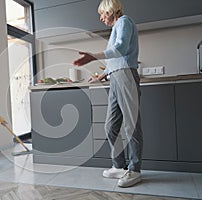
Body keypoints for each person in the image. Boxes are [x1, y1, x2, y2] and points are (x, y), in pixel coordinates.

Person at [73, 0, 143, 187]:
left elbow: (120, 49)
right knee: (110, 126)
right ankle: (119, 165)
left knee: (131, 126)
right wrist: (102, 75)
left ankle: (135, 170)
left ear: (111, 11)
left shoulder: (124, 22)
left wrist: (93, 56)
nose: (101, 18)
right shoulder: (116, 28)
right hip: (115, 78)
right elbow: (115, 60)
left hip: (126, 76)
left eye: (103, 14)